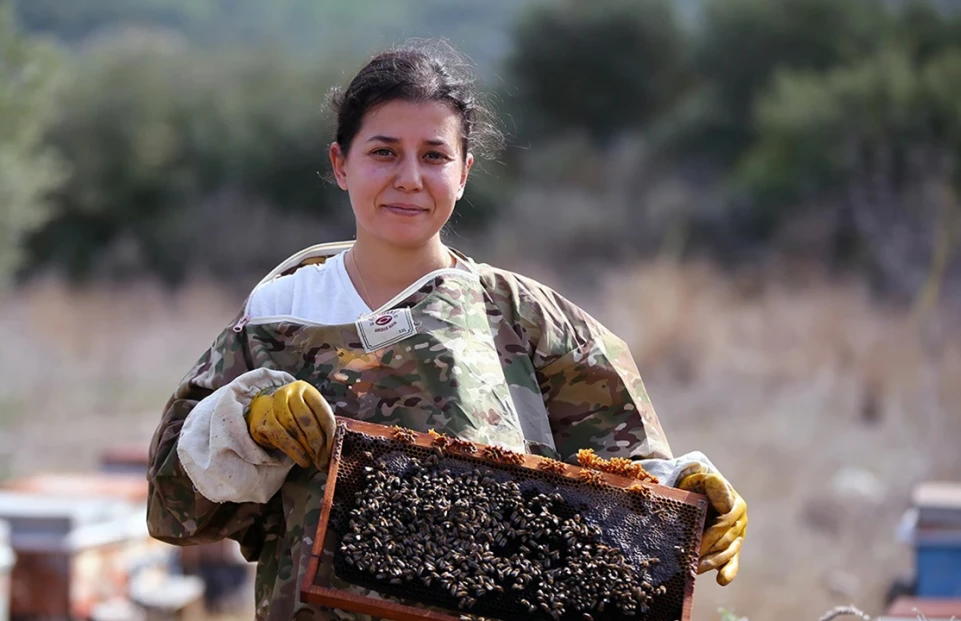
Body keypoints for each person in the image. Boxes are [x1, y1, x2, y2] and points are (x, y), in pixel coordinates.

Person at [146, 40, 747, 621]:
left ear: (464, 172)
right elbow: (174, 511)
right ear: (340, 164)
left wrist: (688, 500)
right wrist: (244, 426)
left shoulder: (526, 316)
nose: (410, 178)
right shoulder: (279, 313)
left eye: (434, 155)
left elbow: (627, 490)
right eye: (384, 152)